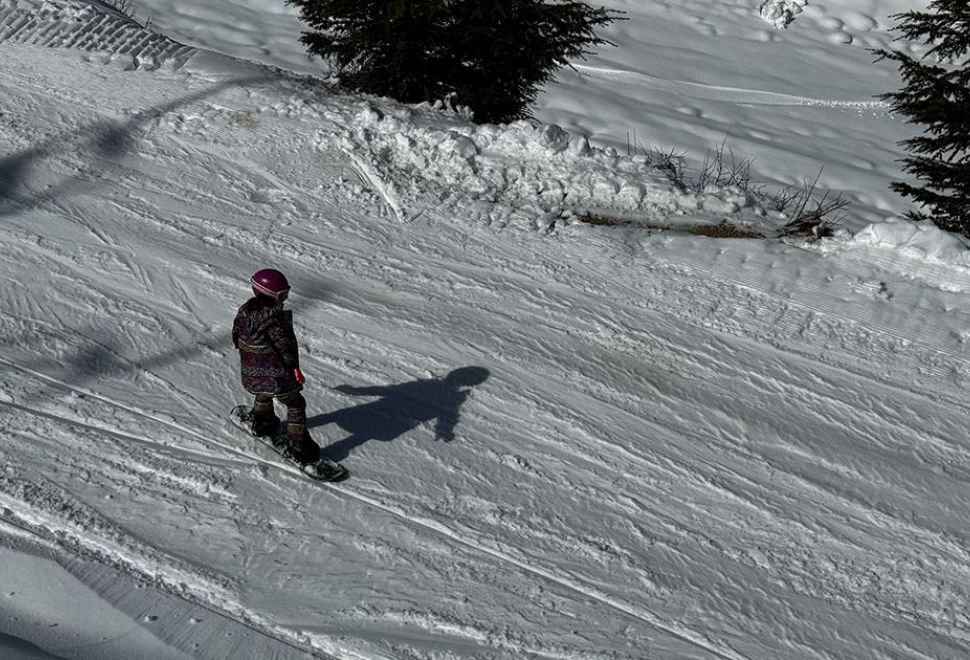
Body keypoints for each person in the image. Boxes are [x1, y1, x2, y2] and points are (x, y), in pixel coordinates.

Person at [231, 268, 324, 469]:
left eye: (286, 293)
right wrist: (294, 369)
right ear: (270, 295)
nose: (285, 299)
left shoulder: (244, 312)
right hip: (277, 376)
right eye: (283, 295)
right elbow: (286, 348)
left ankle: (262, 421)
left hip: (251, 373)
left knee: (263, 391)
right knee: (296, 403)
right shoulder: (275, 322)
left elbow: (236, 338)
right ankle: (298, 446)